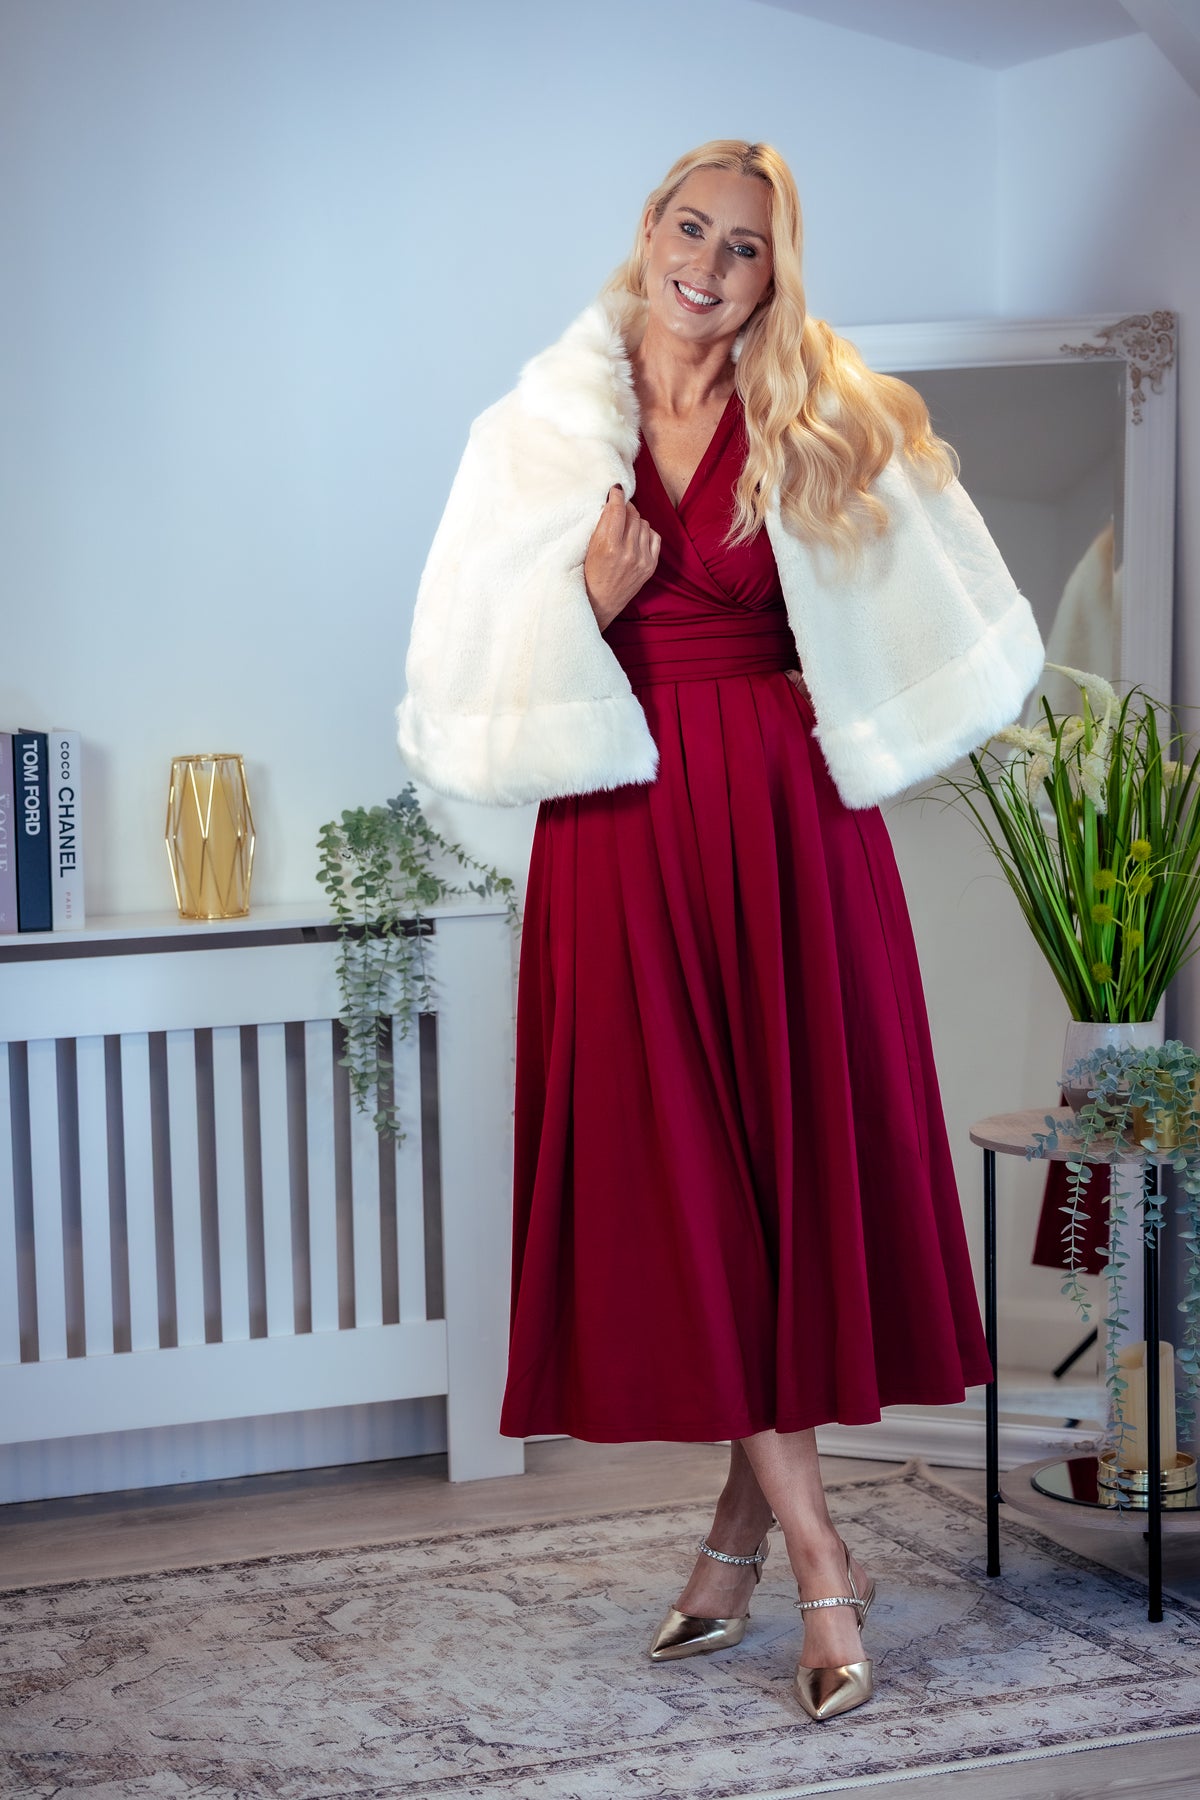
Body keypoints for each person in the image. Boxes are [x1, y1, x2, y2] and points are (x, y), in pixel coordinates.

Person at [397, 140, 1045, 1722]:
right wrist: (590, 608)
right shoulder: (537, 432)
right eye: (689, 229)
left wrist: (851, 680)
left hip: (787, 823)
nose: (706, 264)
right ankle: (824, 1553)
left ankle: (743, 1547)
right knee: (684, 1181)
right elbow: (468, 658)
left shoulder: (823, 407)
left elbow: (935, 600)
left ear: (774, 271)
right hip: (618, 825)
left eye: (743, 246)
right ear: (648, 231)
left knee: (783, 1176)